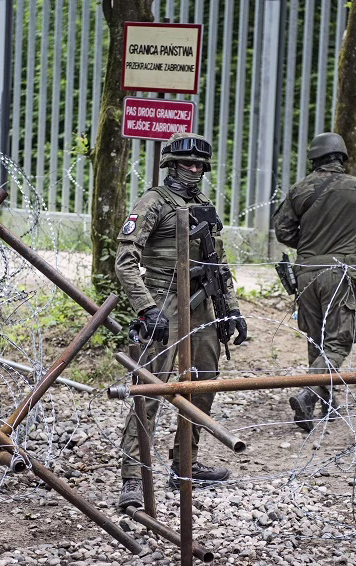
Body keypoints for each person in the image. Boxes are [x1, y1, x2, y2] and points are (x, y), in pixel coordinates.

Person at [113, 132, 248, 509]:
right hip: (164, 299)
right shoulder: (154, 202)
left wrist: (231, 309)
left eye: (200, 165)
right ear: (171, 164)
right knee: (150, 389)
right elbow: (125, 260)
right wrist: (146, 307)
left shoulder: (204, 205)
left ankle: (184, 463)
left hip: (203, 302)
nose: (195, 170)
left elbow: (219, 265)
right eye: (188, 164)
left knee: (204, 384)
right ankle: (133, 476)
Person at [272, 132, 356, 432]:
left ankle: (327, 402)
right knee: (340, 340)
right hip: (340, 271)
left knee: (316, 337)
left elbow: (283, 232)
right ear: (341, 157)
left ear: (314, 158)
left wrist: (310, 242)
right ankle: (310, 392)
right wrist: (348, 241)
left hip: (306, 272)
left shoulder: (299, 190)